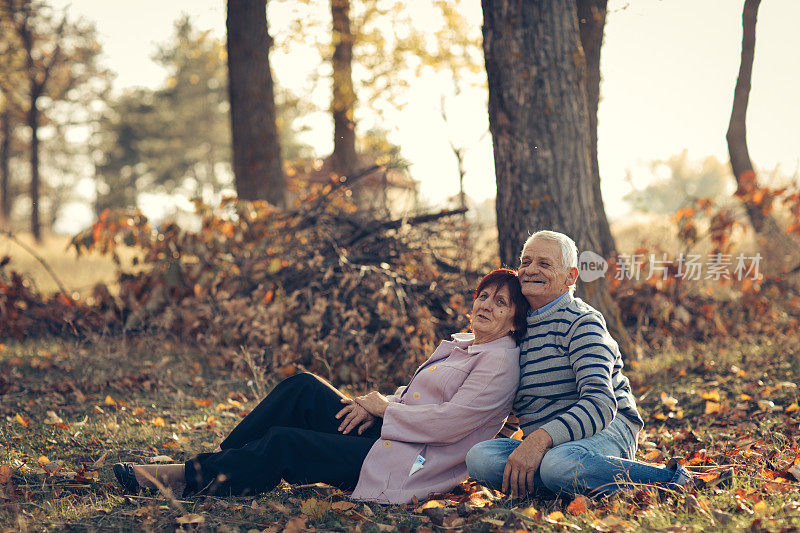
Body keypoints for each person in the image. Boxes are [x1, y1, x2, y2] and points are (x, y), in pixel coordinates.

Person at [113, 269, 527, 504]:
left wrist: (383, 409)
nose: (486, 305)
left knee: (286, 443)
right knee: (304, 387)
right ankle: (221, 464)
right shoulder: (467, 343)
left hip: (410, 463)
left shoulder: (500, 361)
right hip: (392, 435)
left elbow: (449, 424)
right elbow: (416, 395)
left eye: (500, 303)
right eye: (483, 295)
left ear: (513, 320)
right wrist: (373, 408)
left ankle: (183, 477)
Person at [466, 231, 691, 498]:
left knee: (560, 464)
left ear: (570, 277)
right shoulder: (517, 327)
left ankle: (672, 479)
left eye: (544, 264)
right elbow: (516, 405)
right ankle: (564, 483)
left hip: (607, 429)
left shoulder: (581, 322)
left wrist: (538, 441)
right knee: (480, 457)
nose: (530, 270)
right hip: (550, 447)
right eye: (525, 262)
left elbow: (601, 403)